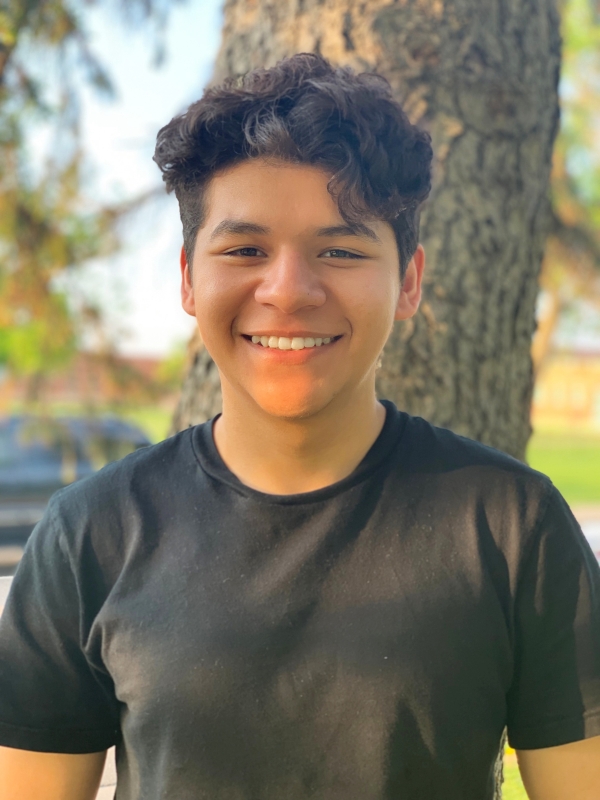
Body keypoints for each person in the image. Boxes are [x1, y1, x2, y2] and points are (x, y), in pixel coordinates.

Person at [0, 53, 599, 800]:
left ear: (408, 281)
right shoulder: (89, 536)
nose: (288, 291)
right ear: (189, 279)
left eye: (340, 250)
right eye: (245, 250)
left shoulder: (513, 528)